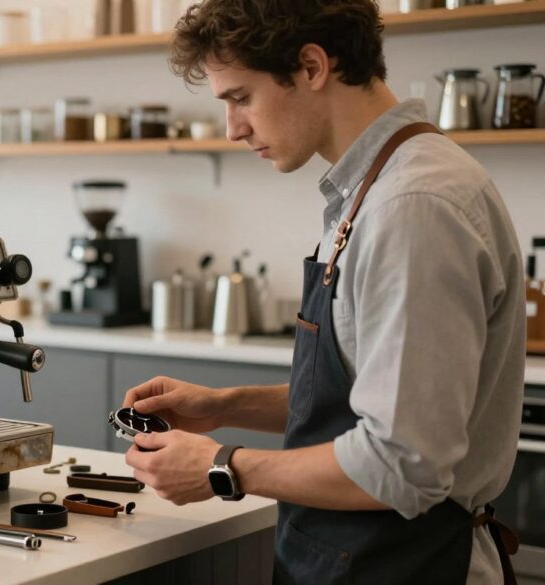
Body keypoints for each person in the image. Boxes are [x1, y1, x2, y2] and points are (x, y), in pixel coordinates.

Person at [121, 0, 526, 582]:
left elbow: (402, 462)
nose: (233, 128)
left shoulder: (413, 207)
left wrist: (222, 466)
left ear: (312, 67)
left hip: (410, 566)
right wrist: (222, 407)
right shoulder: (369, 191)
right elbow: (371, 393)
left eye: (240, 97)